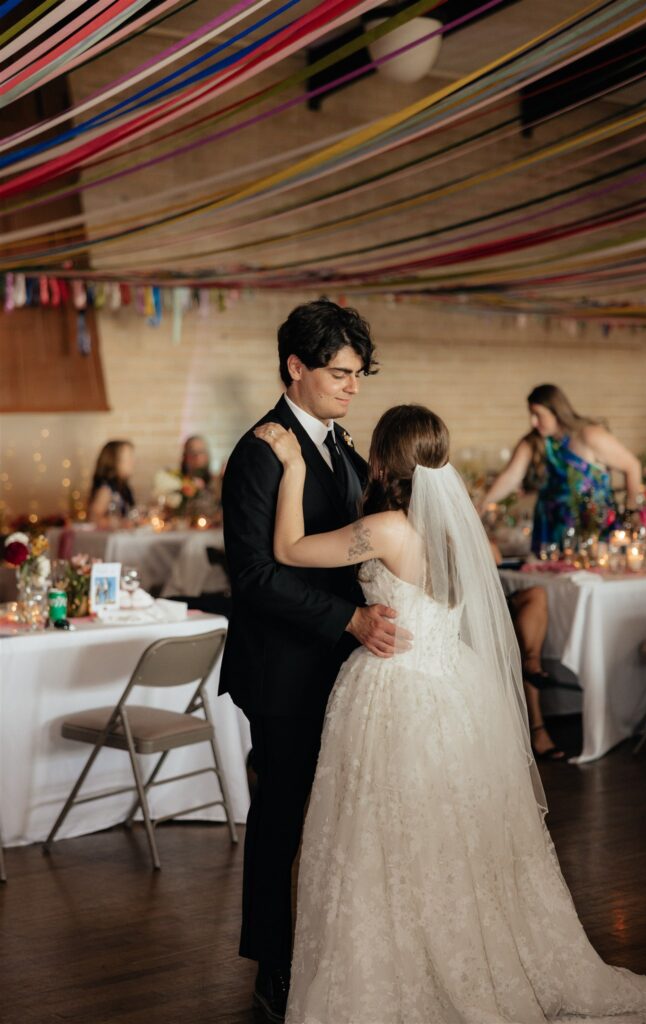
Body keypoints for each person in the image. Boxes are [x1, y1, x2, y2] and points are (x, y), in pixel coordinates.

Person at [256, 404, 646, 1024]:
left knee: (387, 840)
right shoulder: (465, 533)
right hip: (455, 689)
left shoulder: (387, 529)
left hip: (395, 694)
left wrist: (294, 466)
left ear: (383, 459)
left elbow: (288, 549)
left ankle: (404, 968)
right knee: (455, 836)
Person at [218, 299, 411, 1023]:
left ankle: (337, 948)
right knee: (282, 817)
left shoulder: (341, 444)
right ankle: (272, 963)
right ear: (295, 367)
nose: (352, 386)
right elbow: (255, 575)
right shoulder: (258, 452)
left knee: (338, 816)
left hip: (343, 666)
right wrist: (349, 619)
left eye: (359, 374)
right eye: (339, 373)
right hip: (284, 670)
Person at [480, 384, 641, 554]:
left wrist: (631, 511)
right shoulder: (534, 442)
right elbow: (511, 476)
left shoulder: (589, 435)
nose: (533, 422)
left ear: (556, 411)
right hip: (549, 530)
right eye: (531, 415)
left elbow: (632, 466)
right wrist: (484, 502)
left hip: (591, 529)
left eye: (538, 415)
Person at [491, 541, 565, 760]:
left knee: (537, 594)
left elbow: (496, 557)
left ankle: (531, 661)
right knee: (523, 642)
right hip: (466, 607)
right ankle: (538, 730)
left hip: (496, 603)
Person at [88, 440, 135, 528]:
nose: (132, 462)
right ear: (114, 461)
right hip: (110, 536)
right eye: (128, 458)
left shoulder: (124, 488)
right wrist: (120, 523)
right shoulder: (106, 489)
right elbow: (94, 518)